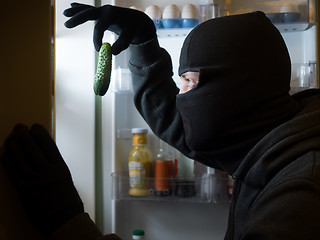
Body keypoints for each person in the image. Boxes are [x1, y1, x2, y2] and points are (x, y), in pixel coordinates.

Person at [1, 2, 320, 239]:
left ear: (237, 90)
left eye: (189, 82)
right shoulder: (265, 137)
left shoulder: (298, 197)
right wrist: (143, 42)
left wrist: (69, 223)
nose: (182, 98)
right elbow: (175, 118)